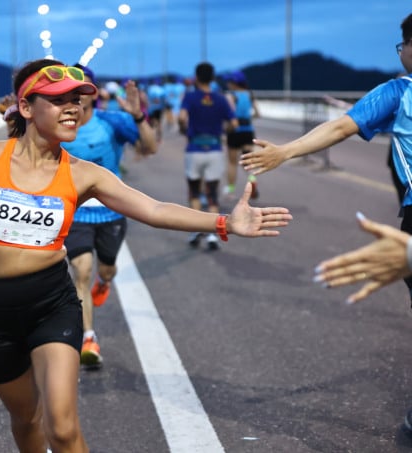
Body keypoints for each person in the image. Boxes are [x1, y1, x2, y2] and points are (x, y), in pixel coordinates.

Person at [0, 58, 292, 452]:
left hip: (50, 304)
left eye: (77, 98)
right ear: (27, 107)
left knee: (63, 428)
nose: (72, 106)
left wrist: (223, 223)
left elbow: (153, 210)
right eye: (58, 99)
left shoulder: (84, 174)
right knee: (25, 419)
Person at [241, 12, 412, 431]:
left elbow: (340, 126)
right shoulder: (396, 92)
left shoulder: (399, 93)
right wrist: (284, 153)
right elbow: (340, 126)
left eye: (401, 45)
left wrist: (284, 153)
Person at [62, 64, 158, 369]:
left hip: (110, 213)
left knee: (106, 271)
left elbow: (150, 147)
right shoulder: (57, 125)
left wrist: (139, 115)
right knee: (81, 270)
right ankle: (88, 337)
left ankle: (105, 282)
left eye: (82, 88)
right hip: (74, 214)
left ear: (93, 93)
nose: (75, 95)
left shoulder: (111, 122)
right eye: (69, 89)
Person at [178, 62, 238, 250]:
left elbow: (181, 117)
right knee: (212, 194)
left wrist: (183, 130)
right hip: (214, 149)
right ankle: (213, 234)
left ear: (196, 77)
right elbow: (234, 123)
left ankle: (196, 229)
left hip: (194, 149)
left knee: (194, 192)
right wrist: (223, 131)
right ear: (212, 78)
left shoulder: (190, 97)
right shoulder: (221, 99)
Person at [224, 70, 260, 199]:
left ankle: (231, 190)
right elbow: (258, 113)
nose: (227, 84)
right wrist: (248, 119)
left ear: (234, 83)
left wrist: (226, 128)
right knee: (248, 161)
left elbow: (231, 114)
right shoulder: (249, 94)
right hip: (248, 131)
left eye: (229, 81)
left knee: (232, 162)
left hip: (234, 132)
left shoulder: (231, 96)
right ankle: (252, 180)